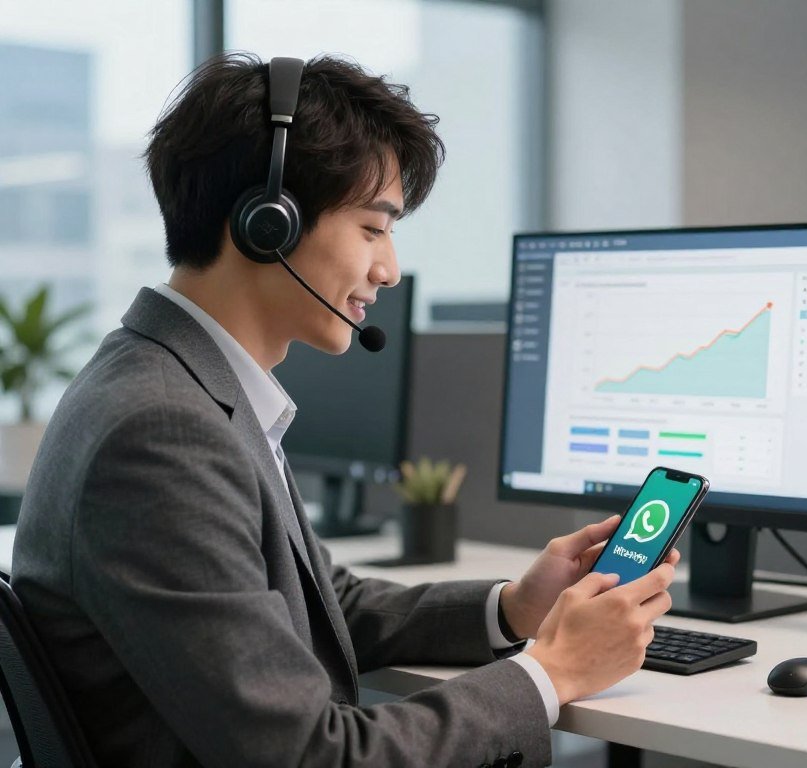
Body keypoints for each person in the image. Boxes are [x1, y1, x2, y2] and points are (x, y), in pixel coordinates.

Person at [11, 53, 678, 768]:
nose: (388, 268)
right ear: (267, 222)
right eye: (372, 227)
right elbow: (309, 757)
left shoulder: (179, 385)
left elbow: (322, 602)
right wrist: (554, 674)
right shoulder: (162, 433)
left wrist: (514, 607)